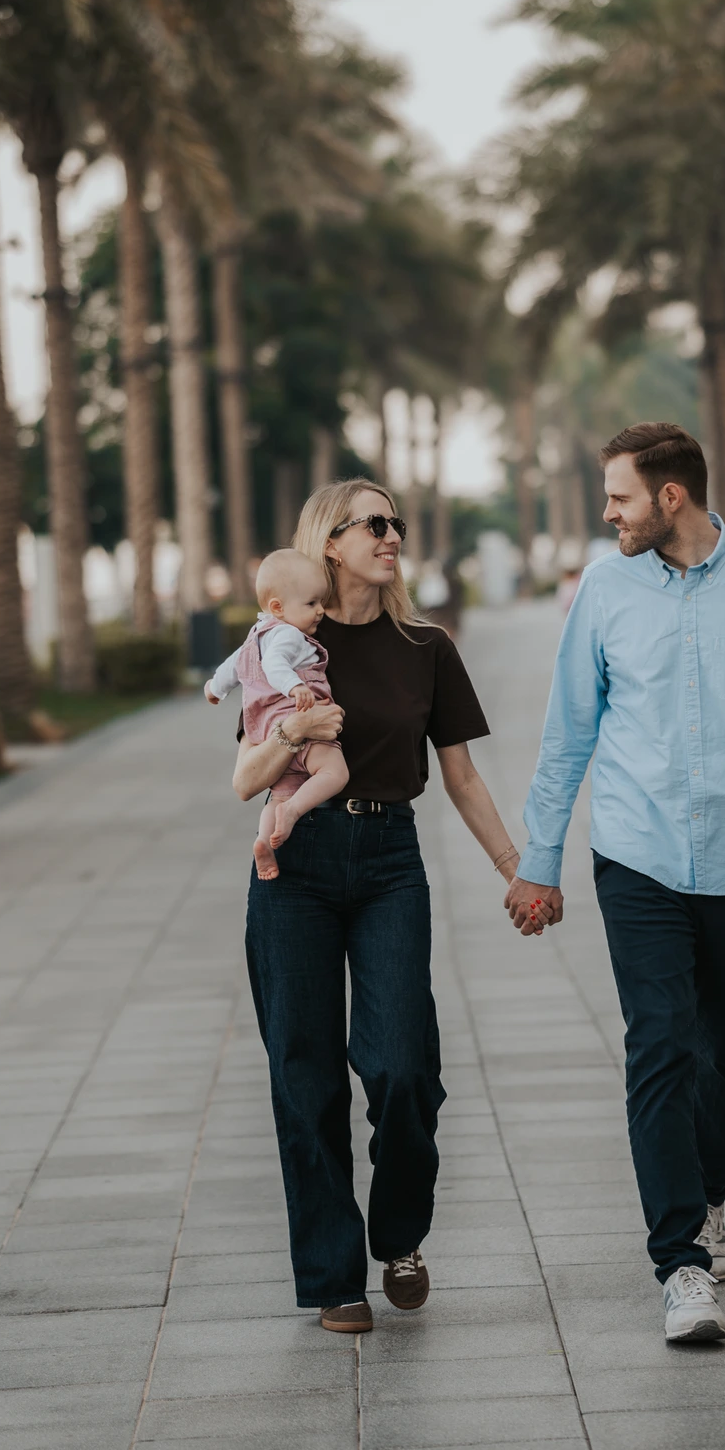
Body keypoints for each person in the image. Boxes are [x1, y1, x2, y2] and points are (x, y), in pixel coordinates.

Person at [505, 423, 725, 1346]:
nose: (607, 513)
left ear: (671, 497)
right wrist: (538, 863)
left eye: (619, 496)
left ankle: (707, 1200)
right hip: (637, 854)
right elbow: (567, 733)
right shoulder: (603, 590)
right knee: (659, 1041)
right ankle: (681, 1264)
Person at [234, 480, 523, 1334]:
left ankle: (399, 1235)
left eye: (396, 523)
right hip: (297, 864)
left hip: (391, 857)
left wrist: (516, 869)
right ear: (330, 541)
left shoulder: (425, 646)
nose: (393, 536)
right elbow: (245, 780)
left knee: (403, 1065)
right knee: (305, 1071)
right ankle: (334, 1278)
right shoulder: (278, 642)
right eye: (376, 524)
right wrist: (295, 730)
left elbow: (461, 777)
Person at [206, 548, 349, 878]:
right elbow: (275, 664)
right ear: (278, 608)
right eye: (311, 604)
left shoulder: (254, 638)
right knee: (335, 773)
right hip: (293, 714)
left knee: (280, 793)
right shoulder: (288, 634)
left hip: (263, 729)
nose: (319, 612)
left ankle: (264, 842)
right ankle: (294, 811)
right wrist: (294, 687)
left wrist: (215, 688)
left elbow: (232, 667)